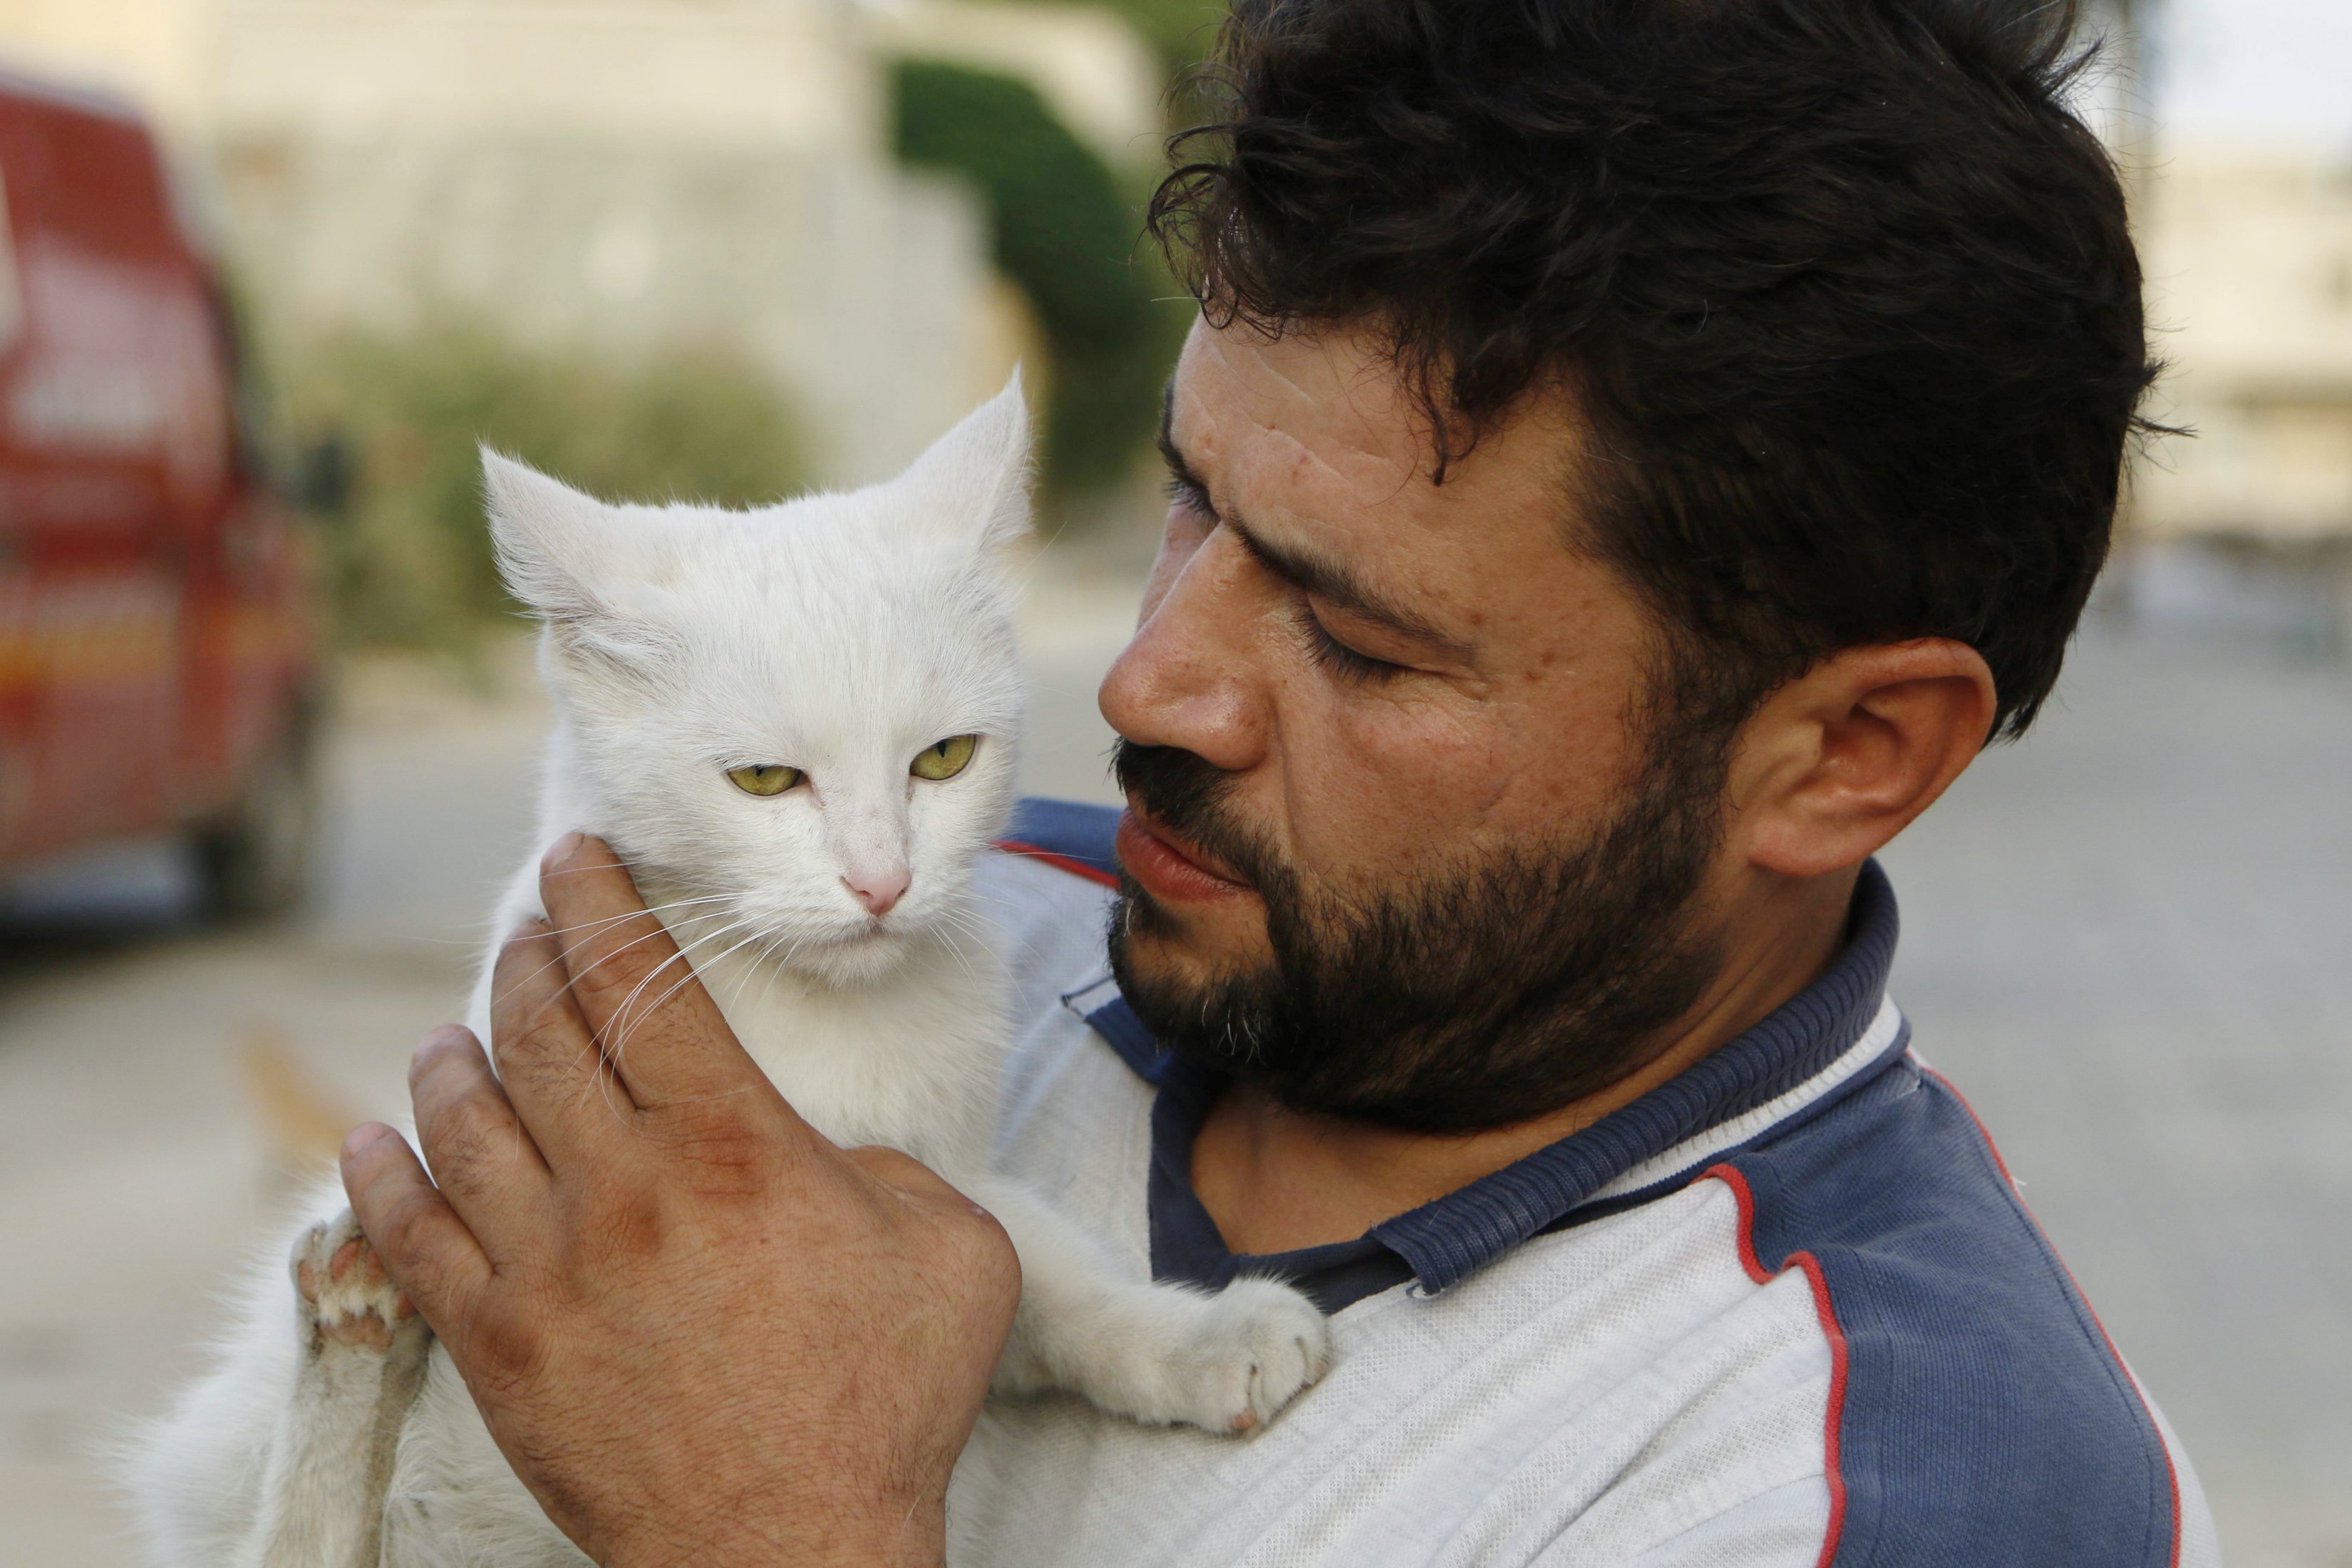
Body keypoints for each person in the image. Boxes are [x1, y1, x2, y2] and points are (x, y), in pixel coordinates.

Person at [339, 0, 2221, 1562]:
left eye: (1361, 639)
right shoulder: (949, 926)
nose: (1149, 681)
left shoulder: (1898, 1485)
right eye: (1190, 499)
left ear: (1842, 758)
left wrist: (785, 1531)